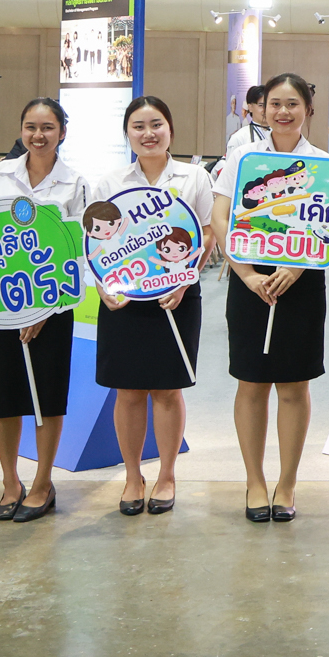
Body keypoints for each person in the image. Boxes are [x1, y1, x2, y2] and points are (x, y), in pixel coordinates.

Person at [212, 72, 329, 522]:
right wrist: (245, 275)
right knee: (251, 382)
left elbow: (327, 225)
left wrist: (297, 266)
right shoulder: (242, 158)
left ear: (307, 110)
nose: (283, 112)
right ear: (262, 109)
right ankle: (255, 481)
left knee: (295, 385)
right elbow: (220, 217)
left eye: (292, 104)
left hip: (302, 284)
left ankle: (288, 482)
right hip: (250, 284)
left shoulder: (323, 165)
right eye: (275, 104)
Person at [88, 96, 215, 517]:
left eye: (156, 124)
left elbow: (207, 233)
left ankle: (166, 475)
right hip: (123, 298)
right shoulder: (110, 182)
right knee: (127, 391)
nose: (148, 134)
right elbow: (95, 244)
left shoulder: (194, 177)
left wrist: (184, 278)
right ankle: (132, 477)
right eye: (138, 126)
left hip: (175, 296)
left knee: (167, 388)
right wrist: (103, 287)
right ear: (127, 133)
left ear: (170, 130)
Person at [0, 97, 87, 523]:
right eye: (31, 127)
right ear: (21, 130)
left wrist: (46, 308)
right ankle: (10, 482)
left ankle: (42, 484)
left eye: (48, 127)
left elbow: (78, 250)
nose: (38, 135)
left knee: (47, 398)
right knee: (2, 397)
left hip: (52, 310)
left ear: (62, 133)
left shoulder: (75, 182)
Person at [229, 84, 267, 149]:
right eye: (261, 105)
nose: (265, 109)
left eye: (269, 105)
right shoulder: (239, 137)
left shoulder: (280, 135)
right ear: (250, 107)